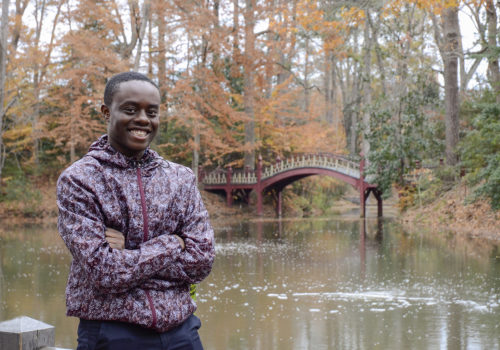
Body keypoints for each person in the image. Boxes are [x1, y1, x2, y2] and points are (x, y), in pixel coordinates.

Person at [57, 71, 215, 350]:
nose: (143, 119)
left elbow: (201, 260)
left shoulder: (180, 178)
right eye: (130, 109)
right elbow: (104, 273)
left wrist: (128, 250)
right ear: (107, 112)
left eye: (151, 112)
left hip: (182, 332)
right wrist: (174, 243)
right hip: (112, 332)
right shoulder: (80, 180)